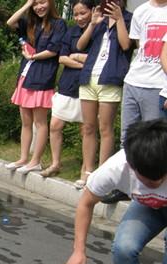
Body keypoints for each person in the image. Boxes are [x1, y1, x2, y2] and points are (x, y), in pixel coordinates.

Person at [63, 119, 167, 264]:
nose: (155, 185)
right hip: (147, 207)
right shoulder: (116, 167)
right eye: (148, 181)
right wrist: (78, 250)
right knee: (123, 247)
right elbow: (86, 203)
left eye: (161, 179)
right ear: (132, 165)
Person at [104, 0, 167, 204]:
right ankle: (125, 186)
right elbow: (138, 46)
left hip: (157, 85)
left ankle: (150, 189)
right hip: (133, 80)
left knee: (153, 143)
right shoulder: (141, 10)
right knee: (127, 136)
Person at [76, 0, 133, 188]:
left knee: (105, 128)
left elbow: (126, 45)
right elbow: (80, 45)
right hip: (89, 76)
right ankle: (87, 171)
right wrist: (92, 24)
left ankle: (101, 174)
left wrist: (119, 20)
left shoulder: (128, 19)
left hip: (111, 78)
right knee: (88, 127)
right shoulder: (99, 19)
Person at [5, 0, 66, 174]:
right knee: (26, 122)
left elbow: (53, 51)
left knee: (40, 122)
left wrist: (33, 57)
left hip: (42, 77)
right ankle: (23, 158)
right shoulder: (31, 23)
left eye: (42, 2)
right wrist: (27, 4)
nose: (39, 7)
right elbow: (10, 22)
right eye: (36, 4)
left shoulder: (58, 24)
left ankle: (36, 161)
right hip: (25, 76)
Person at [41, 0, 93, 178]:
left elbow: (95, 59)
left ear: (92, 11)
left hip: (86, 86)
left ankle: (85, 168)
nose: (79, 18)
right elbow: (62, 58)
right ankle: (56, 163)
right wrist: (83, 63)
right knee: (55, 125)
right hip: (67, 85)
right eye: (76, 14)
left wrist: (75, 56)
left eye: (83, 13)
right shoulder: (72, 32)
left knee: (85, 129)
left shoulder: (98, 32)